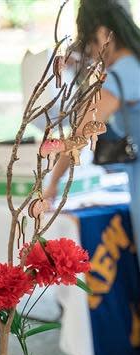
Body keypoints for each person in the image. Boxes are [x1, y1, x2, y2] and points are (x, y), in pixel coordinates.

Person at [44, 0, 140, 249]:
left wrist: (52, 184)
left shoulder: (123, 73)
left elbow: (80, 134)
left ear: (101, 33)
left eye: (89, 43)